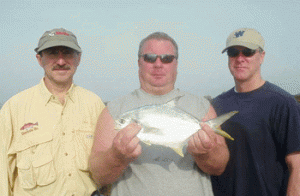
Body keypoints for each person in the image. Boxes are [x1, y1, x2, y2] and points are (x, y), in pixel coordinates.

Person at [89, 32, 230, 196]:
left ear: (176, 64)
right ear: (139, 62)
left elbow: (220, 167)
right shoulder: (114, 110)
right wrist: (117, 156)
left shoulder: (201, 106)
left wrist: (206, 152)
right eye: (149, 57)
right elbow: (98, 176)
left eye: (166, 58)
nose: (158, 64)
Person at [0, 28, 105, 196]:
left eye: (68, 53)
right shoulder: (13, 108)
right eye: (52, 53)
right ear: (39, 59)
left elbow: (107, 169)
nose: (61, 61)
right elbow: (2, 174)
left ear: (79, 58)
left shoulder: (95, 104)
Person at [211, 28, 300, 196]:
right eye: (233, 52)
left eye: (248, 52)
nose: (240, 59)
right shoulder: (216, 105)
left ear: (262, 56)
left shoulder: (283, 103)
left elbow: (297, 164)